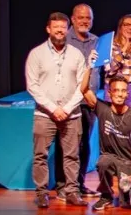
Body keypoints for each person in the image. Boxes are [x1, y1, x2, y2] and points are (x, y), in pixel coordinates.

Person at [26, 12, 90, 208]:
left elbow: (82, 85)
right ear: (48, 29)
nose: (60, 31)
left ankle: (72, 192)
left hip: (72, 114)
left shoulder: (76, 54)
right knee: (40, 155)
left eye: (63, 27)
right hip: (44, 114)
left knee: (72, 155)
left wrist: (67, 109)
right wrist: (54, 109)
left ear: (67, 29)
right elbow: (32, 86)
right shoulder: (36, 54)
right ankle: (42, 193)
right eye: (56, 27)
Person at [53, 4, 101, 199]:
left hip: (89, 103)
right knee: (66, 144)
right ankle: (62, 186)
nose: (84, 21)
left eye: (88, 18)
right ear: (72, 19)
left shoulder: (97, 41)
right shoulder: (64, 39)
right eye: (81, 17)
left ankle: (79, 185)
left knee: (84, 145)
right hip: (69, 102)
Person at [79, 69, 131, 210]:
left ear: (127, 94)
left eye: (123, 91)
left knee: (129, 205)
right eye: (116, 90)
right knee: (103, 163)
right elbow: (83, 89)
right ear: (109, 93)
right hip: (109, 156)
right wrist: (89, 67)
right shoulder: (102, 108)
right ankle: (106, 195)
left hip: (126, 161)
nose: (120, 94)